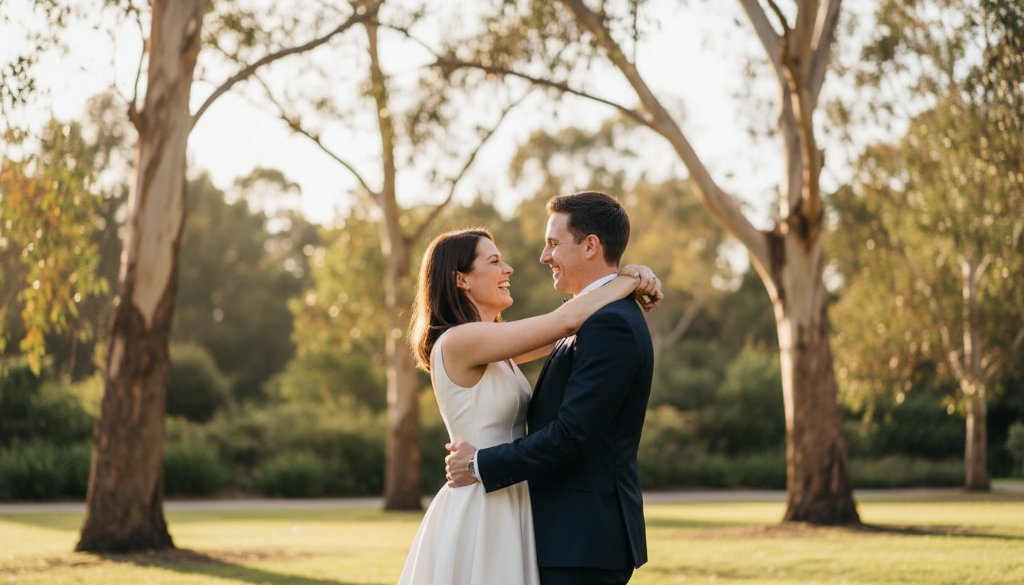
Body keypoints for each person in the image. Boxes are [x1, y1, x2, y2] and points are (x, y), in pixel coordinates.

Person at [398, 218, 661, 585]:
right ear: (461, 279)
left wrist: (633, 274)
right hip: (482, 499)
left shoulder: (497, 347)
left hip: (511, 496)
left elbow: (571, 331)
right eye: (493, 262)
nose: (508, 268)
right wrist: (630, 280)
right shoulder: (461, 341)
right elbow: (567, 320)